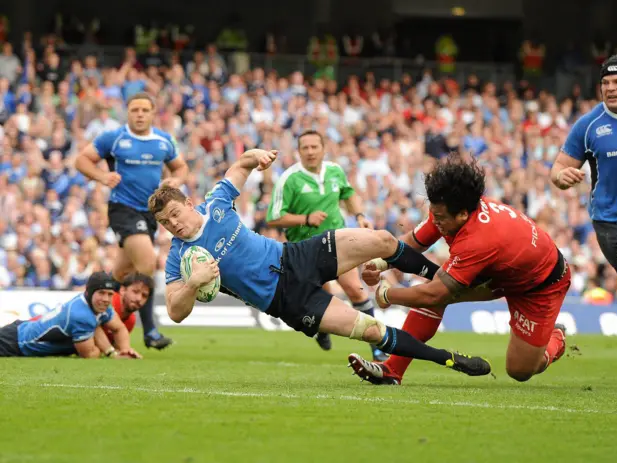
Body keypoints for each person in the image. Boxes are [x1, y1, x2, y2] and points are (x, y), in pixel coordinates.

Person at [147, 148, 492, 377]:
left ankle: (445, 281)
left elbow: (240, 166)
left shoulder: (216, 203)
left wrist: (257, 156)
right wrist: (194, 282)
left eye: (175, 214)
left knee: (384, 241)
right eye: (165, 222)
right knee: (371, 330)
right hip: (287, 300)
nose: (173, 224)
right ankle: (447, 358)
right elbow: (176, 311)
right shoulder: (179, 259)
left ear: (189, 204)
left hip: (294, 257)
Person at [350, 157, 569, 384]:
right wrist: (381, 263)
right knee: (437, 289)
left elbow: (434, 293)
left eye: (441, 218)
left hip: (542, 284)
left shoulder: (478, 240)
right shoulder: (452, 208)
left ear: (463, 214)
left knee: (520, 371)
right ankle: (392, 371)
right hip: (504, 272)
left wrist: (387, 295)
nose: (436, 221)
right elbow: (414, 242)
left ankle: (556, 340)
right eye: (433, 213)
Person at [75, 92, 188, 350]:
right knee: (148, 263)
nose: (139, 114)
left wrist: (176, 181)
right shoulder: (113, 138)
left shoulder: (163, 141)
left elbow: (181, 168)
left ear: (152, 113)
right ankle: (150, 331)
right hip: (123, 209)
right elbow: (81, 160)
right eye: (134, 110)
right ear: (128, 112)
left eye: (144, 110)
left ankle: (88, 317)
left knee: (120, 274)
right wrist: (102, 177)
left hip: (150, 214)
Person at [267, 130, 387, 360]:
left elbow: (348, 194)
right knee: (320, 296)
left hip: (338, 241)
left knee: (354, 288)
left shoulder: (335, 171)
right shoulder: (289, 179)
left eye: (315, 147)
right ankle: (321, 329)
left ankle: (377, 349)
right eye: (306, 148)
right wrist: (305, 219)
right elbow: (274, 217)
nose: (311, 152)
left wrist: (360, 214)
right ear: (299, 151)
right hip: (305, 249)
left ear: (323, 149)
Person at [551, 54, 617, 324]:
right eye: (605, 82)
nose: (610, 88)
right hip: (615, 222)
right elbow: (557, 169)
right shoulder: (589, 125)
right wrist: (561, 176)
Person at [0, 272, 142, 358]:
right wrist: (111, 352)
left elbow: (119, 328)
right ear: (89, 292)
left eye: (110, 294)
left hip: (21, 330)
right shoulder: (80, 315)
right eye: (101, 293)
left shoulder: (101, 305)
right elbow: (90, 355)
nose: (105, 299)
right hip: (14, 343)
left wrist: (124, 351)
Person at [100, 272, 154, 347]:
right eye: (135, 291)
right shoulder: (108, 302)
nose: (139, 299)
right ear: (122, 290)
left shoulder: (131, 321)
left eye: (144, 296)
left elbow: (117, 348)